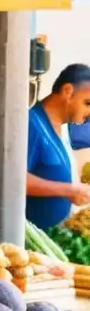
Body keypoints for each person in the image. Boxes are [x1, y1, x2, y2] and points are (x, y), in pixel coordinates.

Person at [27, 63, 90, 229]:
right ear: (67, 91)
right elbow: (15, 179)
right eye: (87, 103)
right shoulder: (32, 123)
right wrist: (69, 190)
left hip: (59, 235)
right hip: (35, 242)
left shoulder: (63, 127)